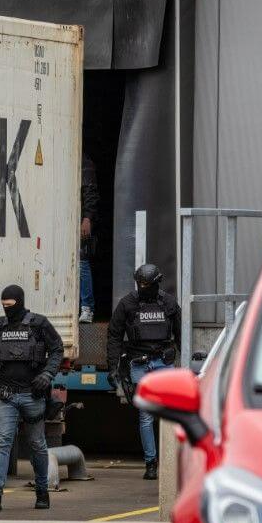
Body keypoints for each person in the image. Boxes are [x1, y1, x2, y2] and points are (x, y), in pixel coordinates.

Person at [0, 284, 64, 512]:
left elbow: (57, 349)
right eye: (3, 306)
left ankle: (42, 493)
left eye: (11, 305)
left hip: (33, 396)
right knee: (2, 443)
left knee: (37, 445)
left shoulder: (39, 324)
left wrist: (47, 374)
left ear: (20, 302)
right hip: (6, 396)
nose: (7, 310)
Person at [106, 263, 181, 480]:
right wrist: (113, 368)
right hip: (139, 364)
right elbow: (114, 336)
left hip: (163, 363)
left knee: (169, 415)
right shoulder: (127, 304)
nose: (143, 287)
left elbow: (180, 331)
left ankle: (172, 461)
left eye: (147, 284)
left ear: (157, 283)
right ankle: (151, 463)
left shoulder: (168, 302)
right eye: (140, 283)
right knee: (146, 417)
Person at [79, 153, 99, 323]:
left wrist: (87, 218)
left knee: (82, 262)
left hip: (80, 220)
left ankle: (87, 308)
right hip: (67, 219)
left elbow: (91, 192)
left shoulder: (84, 163)